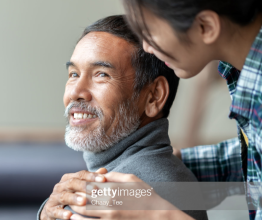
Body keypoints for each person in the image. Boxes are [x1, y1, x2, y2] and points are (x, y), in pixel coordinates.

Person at [64, 0, 262, 219]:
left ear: (205, 26)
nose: (148, 47)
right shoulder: (241, 73)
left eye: (150, 31)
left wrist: (160, 212)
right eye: (73, 74)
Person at [38, 15, 207, 220]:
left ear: (154, 96)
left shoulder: (117, 197)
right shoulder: (164, 174)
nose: (76, 92)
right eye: (73, 74)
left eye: (101, 74)